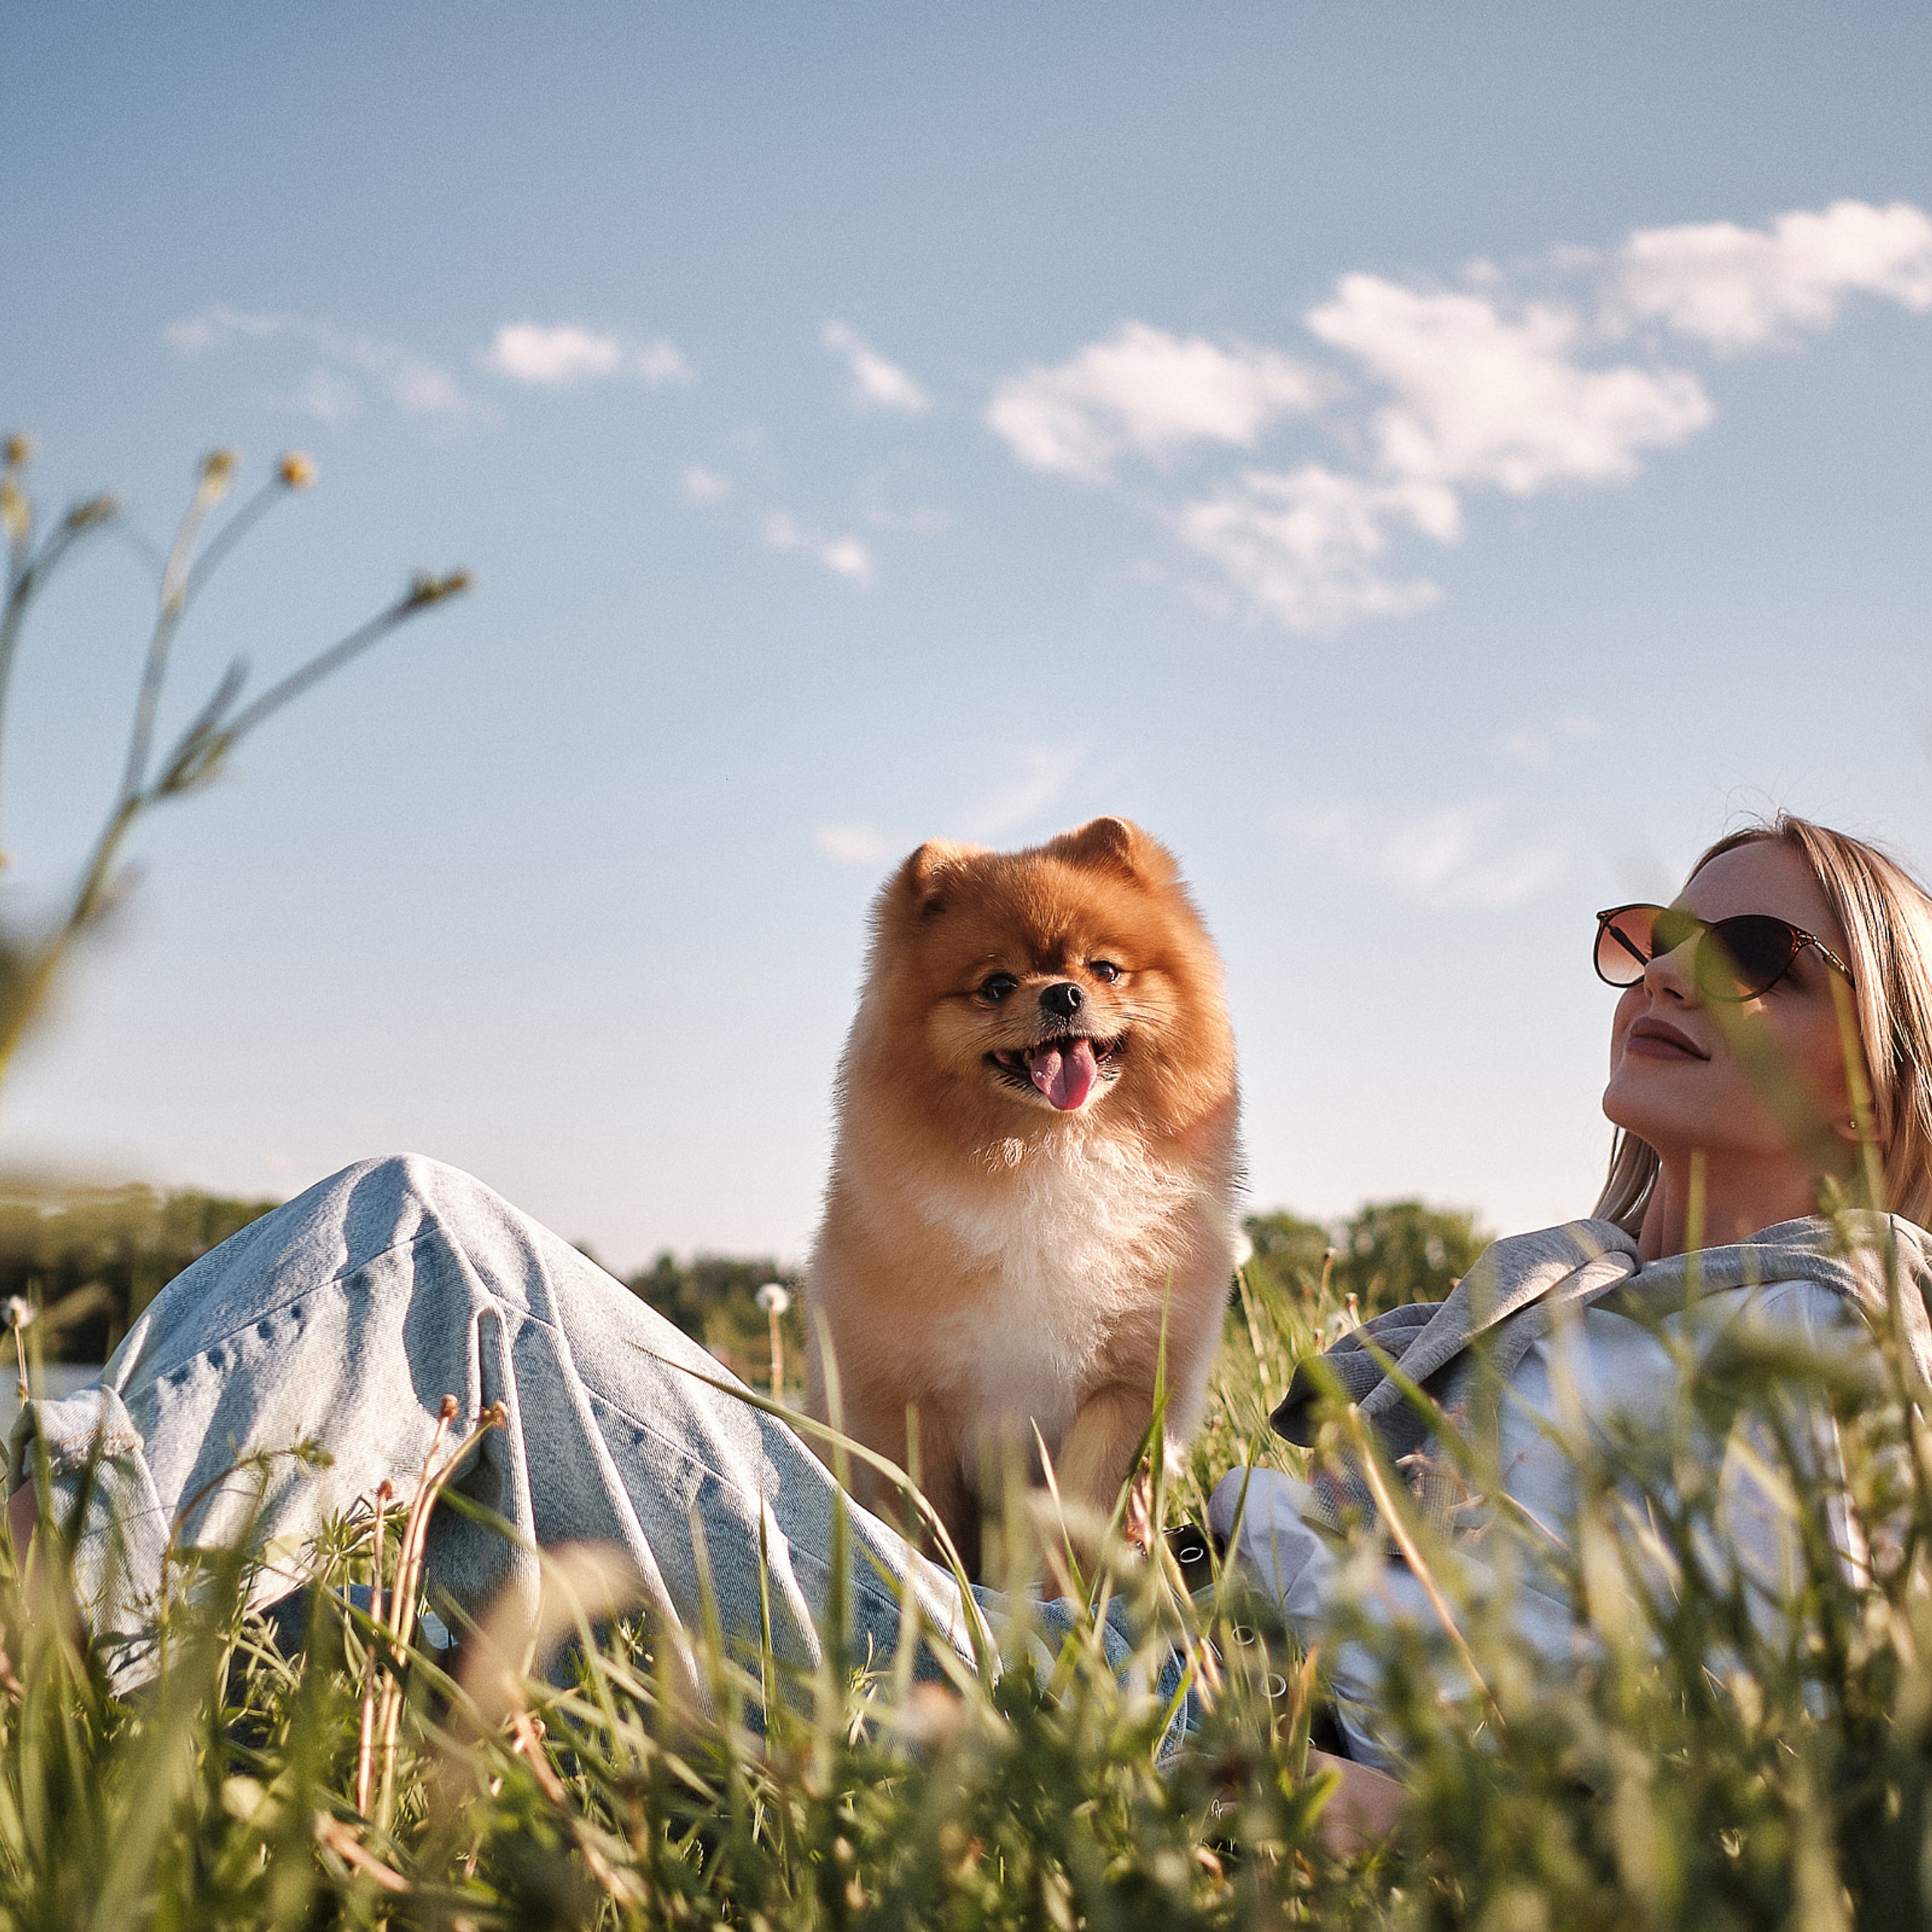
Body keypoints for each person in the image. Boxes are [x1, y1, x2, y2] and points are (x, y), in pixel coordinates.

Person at [8, 813, 1929, 1840]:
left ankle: (38, 1563)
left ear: (1891, 1064)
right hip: (1084, 1638)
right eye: (1648, 935)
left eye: (1756, 957)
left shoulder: (1851, 1333)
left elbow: (1713, 1754)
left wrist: (1328, 1796)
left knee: (424, 1254)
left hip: (1178, 1723)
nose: (1671, 971)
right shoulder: (1565, 1293)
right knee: (412, 1503)